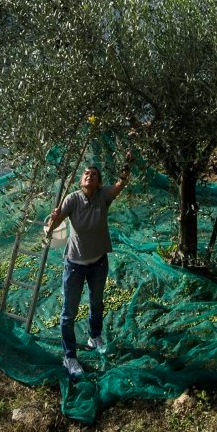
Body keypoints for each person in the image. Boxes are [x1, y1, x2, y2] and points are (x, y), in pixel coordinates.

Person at [45, 153, 133, 377]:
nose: (89, 176)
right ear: (80, 180)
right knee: (68, 312)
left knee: (96, 302)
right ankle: (70, 357)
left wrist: (127, 163)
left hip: (98, 263)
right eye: (86, 174)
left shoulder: (103, 196)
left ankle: (94, 336)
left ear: (99, 181)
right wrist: (54, 218)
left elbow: (120, 185)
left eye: (94, 175)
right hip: (75, 264)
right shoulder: (72, 199)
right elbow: (56, 222)